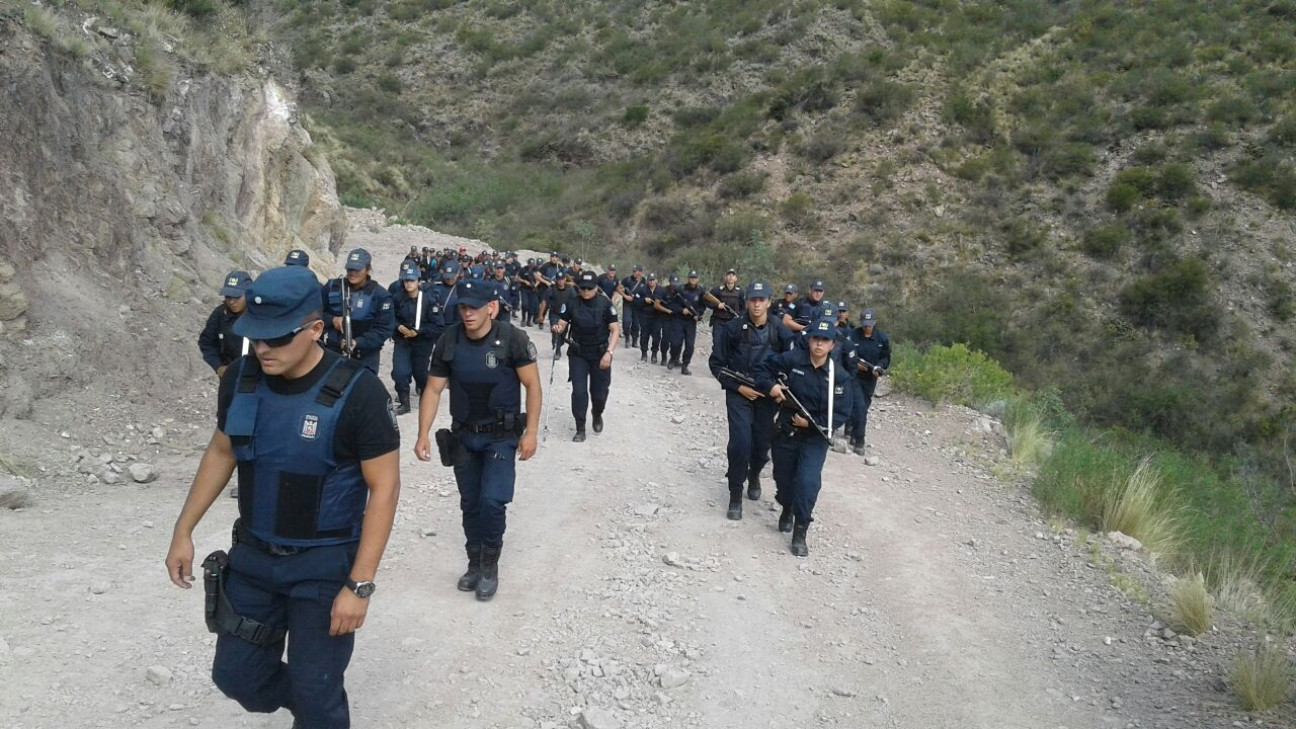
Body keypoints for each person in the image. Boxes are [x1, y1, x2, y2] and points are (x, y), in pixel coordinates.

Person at [165, 265, 401, 729]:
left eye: (276, 337)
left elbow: (385, 488)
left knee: (317, 696)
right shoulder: (240, 379)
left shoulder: (360, 393)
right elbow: (221, 449)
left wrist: (360, 585)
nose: (263, 349)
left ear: (315, 330)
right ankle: (316, 702)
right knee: (238, 679)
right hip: (253, 560)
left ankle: (319, 705)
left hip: (324, 567)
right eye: (256, 337)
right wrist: (183, 529)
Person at [413, 279, 541, 601]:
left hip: (501, 437)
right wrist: (422, 433)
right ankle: (474, 564)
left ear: (492, 307)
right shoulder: (449, 340)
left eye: (475, 307)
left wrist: (532, 431)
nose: (468, 313)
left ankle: (489, 566)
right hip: (464, 436)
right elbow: (433, 388)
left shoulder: (513, 339)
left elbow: (533, 386)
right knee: (470, 503)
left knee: (492, 501)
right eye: (463, 307)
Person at [754, 316, 851, 557]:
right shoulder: (792, 360)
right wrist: (771, 387)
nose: (819, 344)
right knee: (783, 479)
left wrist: (812, 423)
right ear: (809, 340)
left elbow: (841, 412)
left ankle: (800, 530)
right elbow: (762, 370)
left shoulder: (838, 376)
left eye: (825, 340)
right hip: (787, 431)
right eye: (816, 338)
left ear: (832, 345)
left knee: (808, 483)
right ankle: (787, 506)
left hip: (815, 437)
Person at [708, 280, 795, 520]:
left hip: (768, 397)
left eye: (761, 300)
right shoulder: (733, 328)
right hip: (739, 394)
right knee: (740, 443)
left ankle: (754, 474)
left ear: (768, 302)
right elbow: (716, 364)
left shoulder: (779, 330)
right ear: (747, 301)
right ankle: (735, 493)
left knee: (761, 445)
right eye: (752, 300)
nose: (756, 305)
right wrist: (737, 387)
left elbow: (793, 361)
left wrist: (781, 385)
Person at [555, 271, 620, 442]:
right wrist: (558, 328)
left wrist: (609, 353)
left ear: (596, 287)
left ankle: (597, 412)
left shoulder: (605, 304)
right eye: (582, 288)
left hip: (600, 353)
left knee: (599, 393)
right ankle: (580, 427)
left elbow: (615, 330)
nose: (585, 291)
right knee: (579, 391)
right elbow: (562, 322)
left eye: (589, 288)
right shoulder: (572, 303)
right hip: (578, 353)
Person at [321, 248, 395, 375]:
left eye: (357, 270)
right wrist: (332, 320)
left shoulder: (380, 295)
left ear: (368, 269)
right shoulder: (330, 287)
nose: (353, 273)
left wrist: (357, 342)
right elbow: (314, 314)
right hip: (333, 353)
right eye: (350, 269)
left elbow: (384, 329)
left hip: (365, 356)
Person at [391, 261, 440, 416]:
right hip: (402, 340)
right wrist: (398, 327)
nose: (409, 283)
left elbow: (438, 325)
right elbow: (388, 317)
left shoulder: (429, 300)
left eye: (412, 280)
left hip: (422, 342)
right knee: (400, 371)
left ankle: (425, 395)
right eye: (406, 280)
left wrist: (419, 332)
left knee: (420, 373)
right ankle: (404, 402)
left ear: (419, 282)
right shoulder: (397, 298)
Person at [845, 308, 890, 456]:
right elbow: (846, 354)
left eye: (869, 325)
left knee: (864, 406)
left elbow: (885, 357)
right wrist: (854, 364)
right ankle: (859, 440)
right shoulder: (853, 335)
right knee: (860, 406)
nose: (867, 328)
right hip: (855, 376)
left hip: (871, 378)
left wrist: (880, 367)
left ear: (874, 323)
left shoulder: (882, 338)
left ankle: (851, 429)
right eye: (864, 324)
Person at [199, 270, 254, 378]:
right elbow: (207, 343)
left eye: (237, 297)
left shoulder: (261, 315)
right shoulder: (220, 315)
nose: (232, 302)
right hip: (230, 379)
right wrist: (218, 366)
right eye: (228, 297)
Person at [540, 272, 578, 357]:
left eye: (562, 279)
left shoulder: (570, 290)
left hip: (566, 316)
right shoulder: (551, 289)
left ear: (565, 279)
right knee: (555, 330)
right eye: (559, 279)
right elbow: (544, 302)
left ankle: (558, 345)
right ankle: (557, 350)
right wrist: (541, 315)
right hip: (554, 314)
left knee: (563, 333)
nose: (560, 281)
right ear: (556, 280)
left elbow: (576, 301)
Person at [706, 268, 744, 335]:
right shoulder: (717, 290)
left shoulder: (740, 292)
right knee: (718, 344)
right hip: (719, 322)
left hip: (734, 322)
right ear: (725, 277)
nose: (731, 277)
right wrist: (717, 305)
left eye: (733, 275)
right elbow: (707, 302)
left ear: (736, 278)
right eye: (729, 275)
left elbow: (744, 307)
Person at [638, 273, 664, 363]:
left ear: (656, 280)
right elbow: (635, 301)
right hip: (645, 315)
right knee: (644, 335)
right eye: (650, 280)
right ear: (647, 280)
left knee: (657, 336)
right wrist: (644, 300)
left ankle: (654, 354)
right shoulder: (642, 289)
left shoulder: (661, 290)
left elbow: (666, 302)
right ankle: (644, 353)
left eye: (653, 280)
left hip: (657, 316)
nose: (652, 282)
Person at [619, 264, 646, 347]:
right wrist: (626, 296)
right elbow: (619, 289)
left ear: (640, 272)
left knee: (636, 324)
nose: (634, 273)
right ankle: (627, 338)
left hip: (638, 305)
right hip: (628, 304)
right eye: (633, 271)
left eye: (635, 271)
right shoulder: (627, 280)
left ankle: (635, 341)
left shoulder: (644, 281)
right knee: (626, 321)